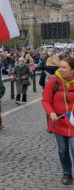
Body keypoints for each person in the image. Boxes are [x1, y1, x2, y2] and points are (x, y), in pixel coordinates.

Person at [42, 57, 74, 185]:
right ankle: (67, 172)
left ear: (72, 70)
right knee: (62, 150)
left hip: (73, 122)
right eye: (60, 66)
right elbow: (46, 100)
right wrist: (51, 112)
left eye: (64, 67)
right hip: (59, 123)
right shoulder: (53, 81)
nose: (60, 69)